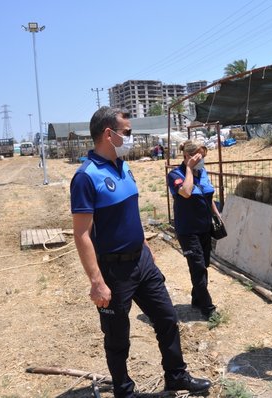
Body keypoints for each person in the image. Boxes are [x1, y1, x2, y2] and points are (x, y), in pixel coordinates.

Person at [70, 106, 211, 397]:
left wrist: (145, 245)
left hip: (142, 262)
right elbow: (82, 233)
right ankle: (124, 390)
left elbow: (130, 214)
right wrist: (96, 281)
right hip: (113, 270)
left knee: (167, 319)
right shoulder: (86, 177)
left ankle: (176, 375)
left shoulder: (125, 167)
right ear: (109, 134)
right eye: (128, 133)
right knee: (117, 335)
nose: (132, 138)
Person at [167, 139, 220, 320]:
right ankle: (208, 308)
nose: (203, 159)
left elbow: (208, 195)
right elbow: (186, 192)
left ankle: (197, 299)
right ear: (188, 156)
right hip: (188, 230)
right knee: (197, 267)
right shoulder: (175, 175)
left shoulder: (202, 172)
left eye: (204, 156)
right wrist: (189, 168)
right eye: (199, 156)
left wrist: (216, 214)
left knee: (203, 265)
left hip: (204, 228)